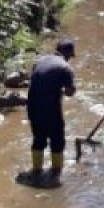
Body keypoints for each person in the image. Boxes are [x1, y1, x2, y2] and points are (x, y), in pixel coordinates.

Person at [24, 38, 76, 186]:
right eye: (70, 55)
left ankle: (36, 171)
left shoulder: (40, 61)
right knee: (57, 139)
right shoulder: (65, 68)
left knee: (39, 137)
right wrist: (64, 90)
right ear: (68, 54)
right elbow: (70, 92)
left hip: (32, 106)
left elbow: (36, 78)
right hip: (51, 108)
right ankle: (55, 172)